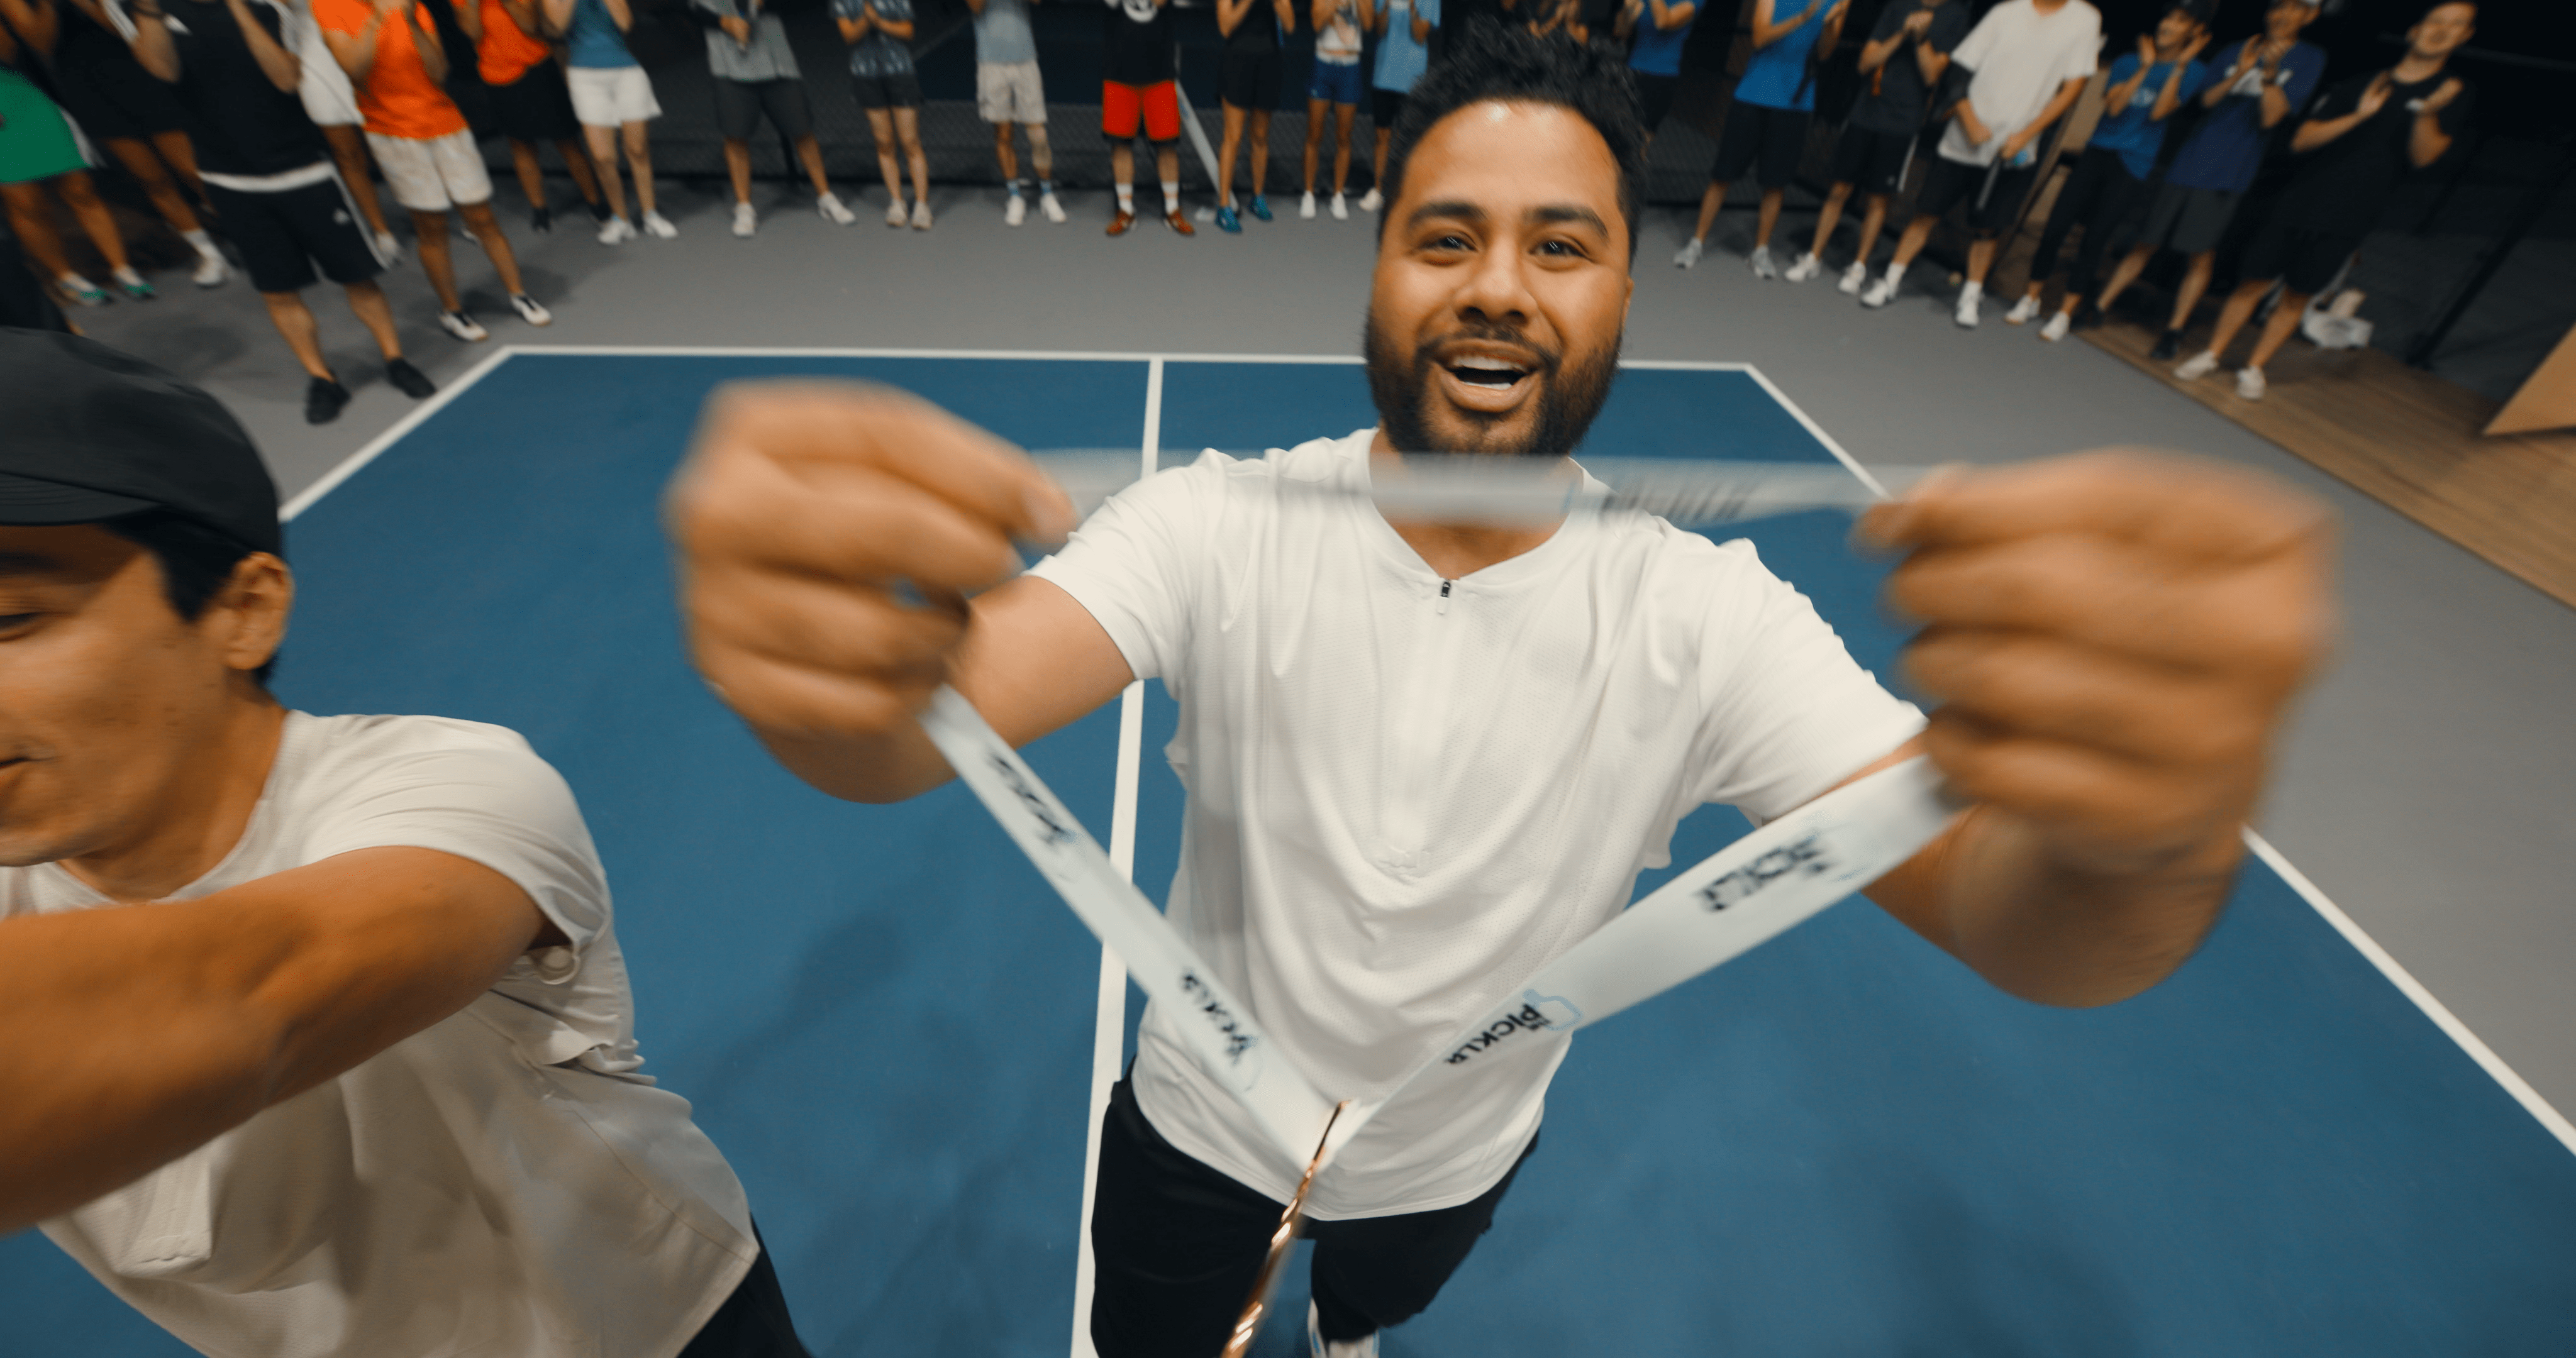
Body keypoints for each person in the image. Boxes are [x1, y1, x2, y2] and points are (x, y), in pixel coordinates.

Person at [662, 25, 2333, 1358]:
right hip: (1193, 1131)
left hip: (1452, 1155)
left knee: (1372, 1307)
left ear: (1620, 292)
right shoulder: (1206, 522)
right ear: (1380, 272)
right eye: (1444, 235)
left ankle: (1351, 1326)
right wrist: (819, 672)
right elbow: (910, 732)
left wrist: (2156, 845)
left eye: (1563, 244)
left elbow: (2015, 921)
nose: (1497, 286)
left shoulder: (1714, 621)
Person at [0, 331, 814, 1358]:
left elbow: (257, 998)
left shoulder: (457, 785)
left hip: (660, 1328)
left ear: (243, 611)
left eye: (9, 620)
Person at [126, 0, 436, 423]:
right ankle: (322, 378)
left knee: (356, 277)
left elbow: (286, 78)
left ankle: (395, 359)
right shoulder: (153, 13)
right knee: (277, 290)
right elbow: (162, 70)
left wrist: (237, 7)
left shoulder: (272, 7)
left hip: (302, 169)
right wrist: (149, 11)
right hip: (230, 179)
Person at [2174, 1, 2473, 400]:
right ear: (2414, 31)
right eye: (2435, 22)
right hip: (2302, 200)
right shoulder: (2362, 83)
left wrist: (2428, 113)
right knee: (2253, 283)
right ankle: (2212, 354)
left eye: (2454, 26)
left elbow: (2425, 157)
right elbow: (2301, 139)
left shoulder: (2450, 95)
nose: (2441, 31)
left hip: (2352, 215)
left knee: (2299, 295)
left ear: (2464, 37)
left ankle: (2254, 367)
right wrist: (2360, 116)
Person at [2096, 0, 2324, 360]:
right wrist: (2240, 72)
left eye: (2296, 9)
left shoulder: (2309, 59)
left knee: (2200, 256)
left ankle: (2174, 330)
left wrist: (2268, 73)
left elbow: (2271, 118)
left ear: (2310, 17)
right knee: (2147, 240)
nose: (2283, 15)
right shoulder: (2238, 49)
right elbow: (2207, 100)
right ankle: (2100, 305)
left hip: (2229, 172)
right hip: (2190, 160)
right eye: (2279, 6)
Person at [316, 0, 550, 339]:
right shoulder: (329, 7)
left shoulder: (414, 7)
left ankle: (519, 295)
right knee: (431, 225)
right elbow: (355, 71)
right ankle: (452, 311)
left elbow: (439, 72)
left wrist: (409, 22)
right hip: (393, 133)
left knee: (483, 216)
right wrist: (380, 17)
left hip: (445, 123)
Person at [1857, 0, 2098, 326]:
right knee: (1926, 214)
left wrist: (2026, 135)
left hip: (2014, 150)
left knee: (1988, 228)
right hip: (1962, 139)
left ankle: (1970, 295)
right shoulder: (2005, 12)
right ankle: (1890, 281)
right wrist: (1968, 119)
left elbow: (2073, 88)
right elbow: (1958, 71)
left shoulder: (2084, 20)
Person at [2006, 0, 2210, 341]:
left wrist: (2180, 66)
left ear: (2193, 32)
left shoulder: (2194, 73)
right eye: (2168, 17)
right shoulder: (2129, 61)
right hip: (2098, 153)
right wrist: (2144, 69)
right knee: (2057, 226)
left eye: (2180, 21)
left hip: (2133, 165)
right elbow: (2115, 107)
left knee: (2096, 237)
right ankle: (2030, 298)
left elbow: (2160, 113)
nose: (2168, 25)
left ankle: (2065, 313)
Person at [0, 0, 231, 285]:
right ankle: (208, 252)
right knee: (151, 179)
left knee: (193, 170)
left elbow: (121, 27)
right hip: (87, 86)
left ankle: (248, 235)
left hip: (142, 68)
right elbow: (40, 43)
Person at [1783, 0, 1965, 292]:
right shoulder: (1898, 7)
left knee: (1878, 199)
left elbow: (1932, 74)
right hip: (1864, 114)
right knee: (1839, 189)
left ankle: (1858, 267)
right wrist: (1902, 34)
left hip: (1903, 122)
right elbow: (1865, 63)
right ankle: (1813, 257)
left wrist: (1920, 39)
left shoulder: (1954, 16)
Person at [1672, 0, 1845, 276]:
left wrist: (1826, 26)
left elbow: (1825, 54)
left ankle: (1760, 251)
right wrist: (1804, 17)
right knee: (1723, 175)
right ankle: (1696, 242)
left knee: (1775, 183)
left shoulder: (1836, 3)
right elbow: (1760, 37)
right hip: (1754, 94)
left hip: (1796, 104)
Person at [1, 14, 151, 304]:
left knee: (80, 188)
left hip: (25, 99)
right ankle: (66, 278)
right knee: (25, 204)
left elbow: (12, 47)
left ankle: (123, 268)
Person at [692, 0, 852, 237]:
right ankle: (744, 207)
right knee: (735, 138)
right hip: (728, 69)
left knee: (803, 132)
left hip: (778, 63)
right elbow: (687, 10)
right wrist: (723, 22)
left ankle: (825, 197)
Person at [453, 0, 608, 234]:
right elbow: (473, 34)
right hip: (497, 76)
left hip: (537, 67)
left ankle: (596, 203)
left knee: (567, 141)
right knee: (521, 147)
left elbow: (531, 25)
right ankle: (540, 210)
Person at [275, 0, 396, 251]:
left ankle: (431, 210)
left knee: (397, 132)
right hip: (311, 55)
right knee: (345, 151)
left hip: (358, 32)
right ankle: (381, 230)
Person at [544, 0, 669, 241]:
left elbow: (625, 23)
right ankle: (620, 220)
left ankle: (650, 214)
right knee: (603, 157)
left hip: (627, 72)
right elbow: (558, 28)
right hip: (585, 77)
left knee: (638, 149)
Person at [833, 0, 928, 228]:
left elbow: (907, 31)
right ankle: (897, 202)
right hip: (865, 76)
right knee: (884, 142)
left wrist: (878, 22)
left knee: (910, 141)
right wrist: (866, 20)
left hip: (900, 72)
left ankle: (922, 206)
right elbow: (849, 36)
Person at [966, 0, 1060, 225]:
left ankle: (1047, 194)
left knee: (1038, 135)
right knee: (1004, 134)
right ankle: (1015, 196)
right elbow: (975, 6)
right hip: (991, 63)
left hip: (1026, 60)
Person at [1100, 0, 1187, 235]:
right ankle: (1126, 210)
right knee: (1120, 145)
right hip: (1119, 72)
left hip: (1160, 74)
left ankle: (1172, 209)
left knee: (1167, 145)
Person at [1209, 0, 1291, 231]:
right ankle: (1223, 206)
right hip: (1237, 62)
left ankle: (1258, 198)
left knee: (1261, 136)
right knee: (1233, 137)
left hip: (1269, 62)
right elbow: (1225, 27)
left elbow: (1290, 25)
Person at [1359, 0, 1431, 214]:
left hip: (1412, 78)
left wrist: (1411, 6)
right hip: (1384, 75)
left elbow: (1420, 34)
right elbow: (1379, 30)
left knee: (1408, 138)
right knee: (1382, 135)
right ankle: (1379, 190)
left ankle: (1404, 193)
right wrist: (1388, 6)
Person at [1299, 0, 1367, 220]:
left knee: (1344, 137)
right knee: (1314, 134)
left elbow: (1367, 24)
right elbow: (1316, 24)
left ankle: (1338, 196)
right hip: (1323, 63)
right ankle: (1308, 194)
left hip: (1350, 67)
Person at [1612, 0, 1695, 146]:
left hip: (1660, 77)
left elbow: (1663, 22)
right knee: (1616, 133)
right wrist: (1628, 9)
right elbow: (1620, 32)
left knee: (1639, 141)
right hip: (1631, 71)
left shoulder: (1691, 2)